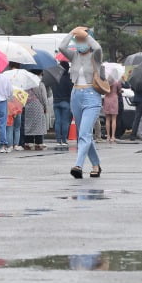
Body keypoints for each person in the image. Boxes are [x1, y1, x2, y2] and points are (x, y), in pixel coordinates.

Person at [59, 26, 103, 179]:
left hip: (92, 95)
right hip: (76, 94)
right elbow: (61, 47)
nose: (80, 43)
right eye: (78, 40)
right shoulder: (74, 56)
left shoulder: (96, 56)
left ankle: (78, 165)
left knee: (84, 133)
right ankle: (96, 164)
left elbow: (97, 47)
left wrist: (87, 35)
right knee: (84, 134)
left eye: (82, 40)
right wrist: (72, 32)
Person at [23, 70, 48, 150]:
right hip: (38, 106)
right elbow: (44, 98)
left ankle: (28, 142)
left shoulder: (26, 84)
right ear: (40, 74)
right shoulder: (40, 84)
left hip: (28, 106)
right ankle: (38, 143)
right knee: (39, 124)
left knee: (29, 124)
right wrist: (46, 107)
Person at [52, 61, 73, 146]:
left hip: (56, 101)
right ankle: (64, 140)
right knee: (65, 122)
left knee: (57, 121)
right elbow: (71, 91)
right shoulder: (69, 78)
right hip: (66, 102)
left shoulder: (55, 78)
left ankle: (58, 140)